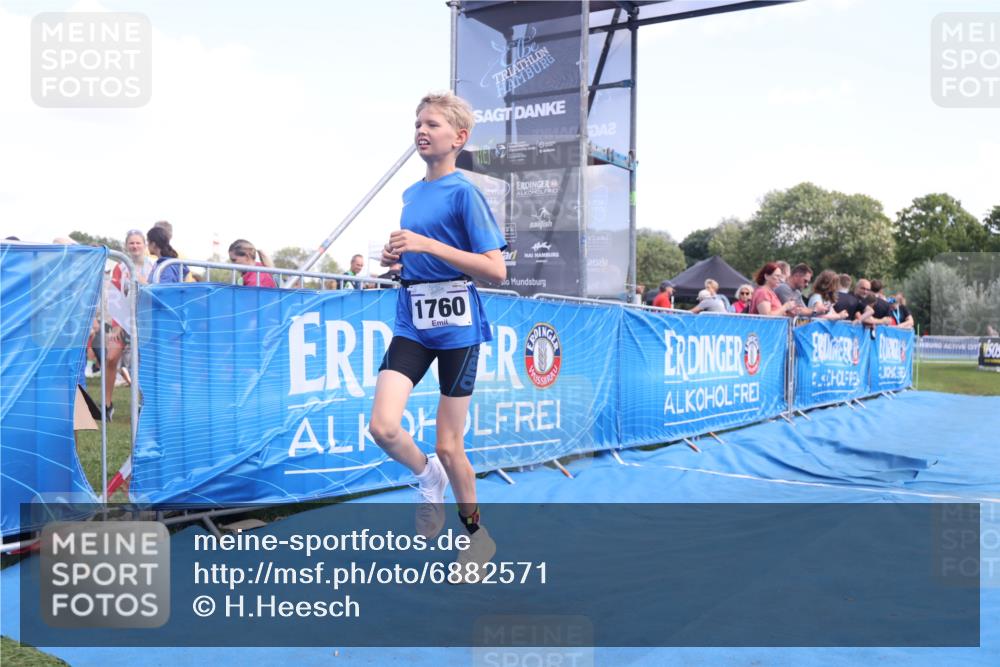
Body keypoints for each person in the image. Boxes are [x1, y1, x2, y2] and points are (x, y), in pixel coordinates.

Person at [368, 91, 507, 576]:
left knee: (451, 445)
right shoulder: (410, 194)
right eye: (418, 124)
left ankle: (478, 537)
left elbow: (496, 269)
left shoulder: (464, 192)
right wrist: (400, 257)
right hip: (412, 317)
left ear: (459, 137)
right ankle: (427, 475)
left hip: (457, 327)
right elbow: (418, 252)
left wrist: (429, 243)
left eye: (433, 124)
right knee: (382, 427)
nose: (421, 131)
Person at [100, 229, 156, 420]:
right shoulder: (120, 267)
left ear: (145, 245)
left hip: (148, 321)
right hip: (124, 320)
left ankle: (144, 403)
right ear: (126, 246)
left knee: (144, 363)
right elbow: (115, 298)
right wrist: (116, 324)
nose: (134, 246)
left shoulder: (153, 265)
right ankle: (107, 405)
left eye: (138, 243)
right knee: (111, 357)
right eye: (131, 243)